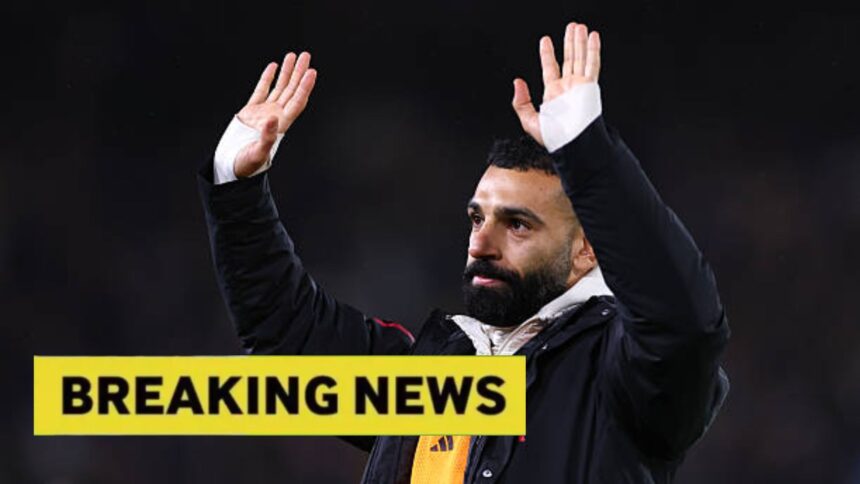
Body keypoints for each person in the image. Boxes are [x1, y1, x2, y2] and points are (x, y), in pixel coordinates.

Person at [198, 20, 730, 484]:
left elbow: (684, 324)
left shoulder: (621, 374)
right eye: (477, 217)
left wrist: (591, 157)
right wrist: (235, 187)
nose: (481, 242)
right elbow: (288, 332)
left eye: (517, 224)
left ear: (586, 250)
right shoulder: (437, 374)